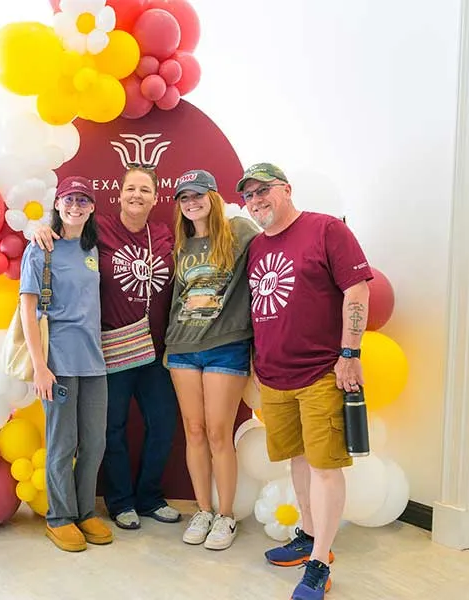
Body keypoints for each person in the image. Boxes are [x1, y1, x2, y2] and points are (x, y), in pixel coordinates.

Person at [238, 163, 371, 600]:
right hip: (275, 377)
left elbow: (357, 290)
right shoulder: (257, 247)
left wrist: (349, 354)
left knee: (325, 467)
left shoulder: (326, 230)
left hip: (321, 373)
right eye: (249, 195)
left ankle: (320, 561)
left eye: (264, 191)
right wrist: (258, 363)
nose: (257, 200)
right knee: (297, 459)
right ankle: (308, 535)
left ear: (287, 190)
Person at [34, 166, 180, 530]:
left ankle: (149, 496)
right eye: (131, 188)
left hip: (155, 349)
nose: (137, 195)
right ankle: (120, 502)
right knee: (110, 430)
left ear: (155, 197)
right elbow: (63, 236)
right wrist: (36, 229)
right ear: (118, 195)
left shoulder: (164, 234)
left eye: (145, 190)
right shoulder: (99, 233)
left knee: (162, 424)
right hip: (109, 349)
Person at [163, 169, 259, 550]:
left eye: (198, 195)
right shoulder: (182, 245)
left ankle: (225, 515)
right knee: (194, 430)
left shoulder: (238, 231)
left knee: (220, 432)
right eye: (184, 198)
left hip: (226, 346)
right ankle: (202, 510)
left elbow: (276, 244)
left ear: (213, 196)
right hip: (183, 347)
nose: (191, 203)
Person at [19, 176, 111, 552]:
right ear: (58, 205)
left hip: (94, 362)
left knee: (94, 443)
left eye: (83, 201)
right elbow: (27, 309)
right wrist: (40, 367)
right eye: (69, 200)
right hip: (58, 361)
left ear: (91, 208)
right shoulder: (41, 249)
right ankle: (60, 517)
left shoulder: (93, 248)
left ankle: (86, 511)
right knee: (62, 443)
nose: (76, 206)